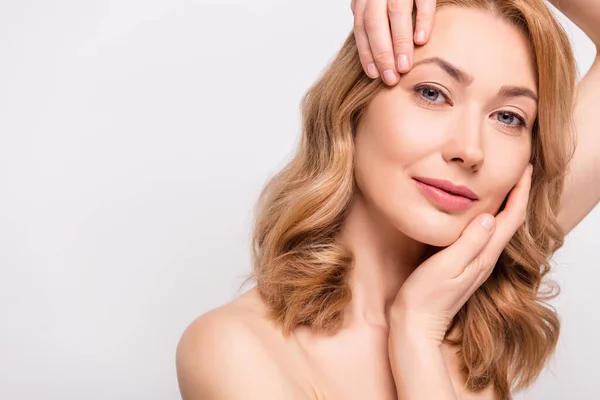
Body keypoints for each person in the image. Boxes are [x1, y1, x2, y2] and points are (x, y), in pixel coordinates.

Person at [176, 0, 599, 398]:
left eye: (508, 117)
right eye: (433, 93)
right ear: (352, 106)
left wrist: (417, 330)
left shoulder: (488, 264)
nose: (470, 150)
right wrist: (417, 335)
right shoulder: (236, 350)